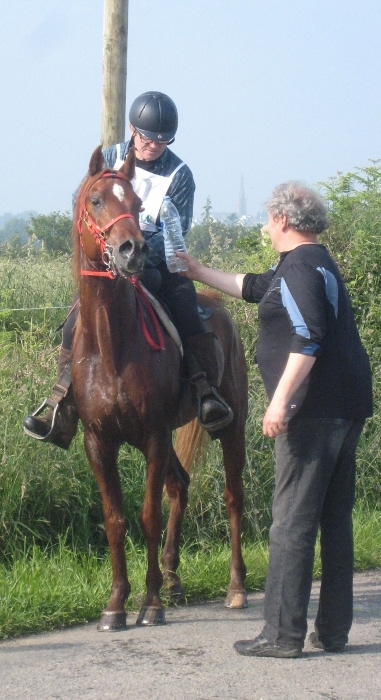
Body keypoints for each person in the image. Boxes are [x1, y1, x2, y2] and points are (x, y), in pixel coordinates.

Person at [178, 182, 373, 658]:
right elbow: (254, 287)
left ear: (283, 220)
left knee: (291, 522)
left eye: (269, 219)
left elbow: (308, 336)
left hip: (313, 411)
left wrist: (279, 402)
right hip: (345, 405)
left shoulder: (300, 269)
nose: (266, 227)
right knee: (334, 520)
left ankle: (282, 635)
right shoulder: (312, 262)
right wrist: (198, 271)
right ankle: (333, 631)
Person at [23, 91, 232, 448]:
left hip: (154, 260)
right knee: (74, 322)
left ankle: (204, 390)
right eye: (147, 138)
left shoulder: (180, 174)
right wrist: (110, 248)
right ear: (133, 131)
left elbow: (178, 229)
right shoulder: (110, 157)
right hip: (109, 260)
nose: (153, 146)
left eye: (162, 141)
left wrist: (139, 254)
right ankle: (62, 405)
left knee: (186, 307)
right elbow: (84, 202)